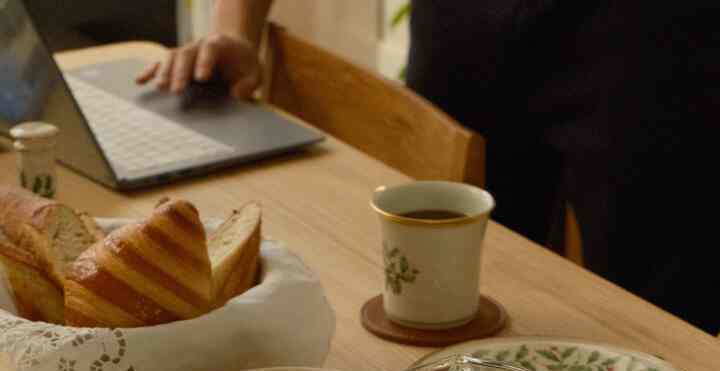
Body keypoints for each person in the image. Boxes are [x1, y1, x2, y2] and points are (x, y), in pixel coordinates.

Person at [138, 1, 720, 335]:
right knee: (436, 314)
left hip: (658, 36)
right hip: (467, 26)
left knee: (667, 332)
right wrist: (235, 31)